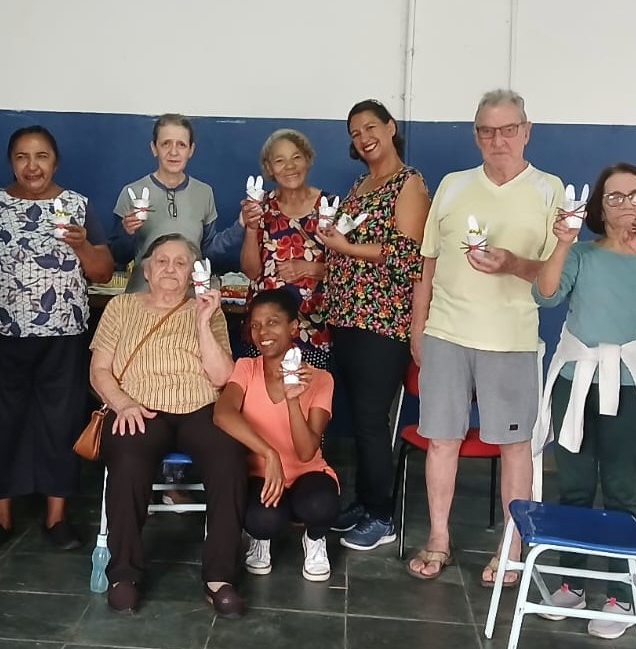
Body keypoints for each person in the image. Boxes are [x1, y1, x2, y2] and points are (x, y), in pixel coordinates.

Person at [407, 89, 562, 585]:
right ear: (476, 135)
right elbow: (427, 265)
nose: (498, 140)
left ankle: (512, 548)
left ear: (527, 131)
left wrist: (513, 263)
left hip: (512, 340)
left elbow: (552, 279)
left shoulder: (550, 191)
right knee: (442, 440)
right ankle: (438, 539)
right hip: (446, 333)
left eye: (508, 129)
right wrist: (418, 328)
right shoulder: (452, 187)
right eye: (487, 131)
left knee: (515, 447)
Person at [529, 162, 636, 640]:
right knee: (573, 486)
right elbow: (546, 294)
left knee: (620, 488)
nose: (626, 205)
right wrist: (561, 242)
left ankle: (621, 591)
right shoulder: (582, 255)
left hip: (635, 384)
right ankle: (571, 581)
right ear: (599, 206)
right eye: (614, 197)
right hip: (577, 379)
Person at [0, 125, 113, 552]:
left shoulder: (77, 207)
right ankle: (1, 517)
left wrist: (82, 247)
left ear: (55, 161)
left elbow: (102, 272)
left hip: (64, 336)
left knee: (59, 423)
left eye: (41, 156)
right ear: (11, 162)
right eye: (23, 157)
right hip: (3, 335)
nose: (32, 166)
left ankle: (57, 518)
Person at [89, 234, 248, 617]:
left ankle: (219, 579)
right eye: (162, 261)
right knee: (126, 460)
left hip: (199, 407)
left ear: (194, 272)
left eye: (181, 263)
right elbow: (99, 371)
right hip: (137, 407)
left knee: (229, 457)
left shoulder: (208, 310)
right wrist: (123, 404)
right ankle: (123, 574)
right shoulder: (121, 307)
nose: (170, 270)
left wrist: (204, 322)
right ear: (146, 269)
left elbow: (223, 376)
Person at [320, 99, 429, 551]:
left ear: (390, 127)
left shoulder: (409, 184)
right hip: (345, 318)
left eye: (370, 127)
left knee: (370, 419)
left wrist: (345, 248)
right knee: (357, 419)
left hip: (382, 321)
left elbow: (410, 256)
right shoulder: (361, 184)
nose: (363, 138)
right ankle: (366, 504)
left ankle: (382, 516)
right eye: (354, 132)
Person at [213, 288, 338, 582]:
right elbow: (222, 414)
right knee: (263, 519)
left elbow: (307, 452)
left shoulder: (321, 379)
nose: (262, 332)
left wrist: (293, 399)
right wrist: (270, 455)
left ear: (293, 327)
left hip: (307, 471)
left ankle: (315, 539)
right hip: (261, 473)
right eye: (255, 325)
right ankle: (262, 539)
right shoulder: (246, 368)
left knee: (320, 505)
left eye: (272, 322)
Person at [237, 129, 334, 369]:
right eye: (279, 161)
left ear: (308, 159)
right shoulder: (261, 208)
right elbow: (251, 273)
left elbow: (347, 271)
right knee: (262, 402)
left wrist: (310, 268)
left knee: (308, 399)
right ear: (269, 168)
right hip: (265, 330)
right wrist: (250, 228)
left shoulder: (329, 207)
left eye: (296, 157)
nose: (289, 166)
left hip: (312, 329)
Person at [111, 113, 239, 289]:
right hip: (144, 298)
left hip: (190, 299)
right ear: (154, 148)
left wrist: (240, 227)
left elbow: (208, 251)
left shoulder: (204, 193)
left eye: (181, 145)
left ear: (191, 150)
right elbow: (117, 256)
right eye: (166, 144)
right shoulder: (132, 192)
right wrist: (127, 232)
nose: (173, 152)